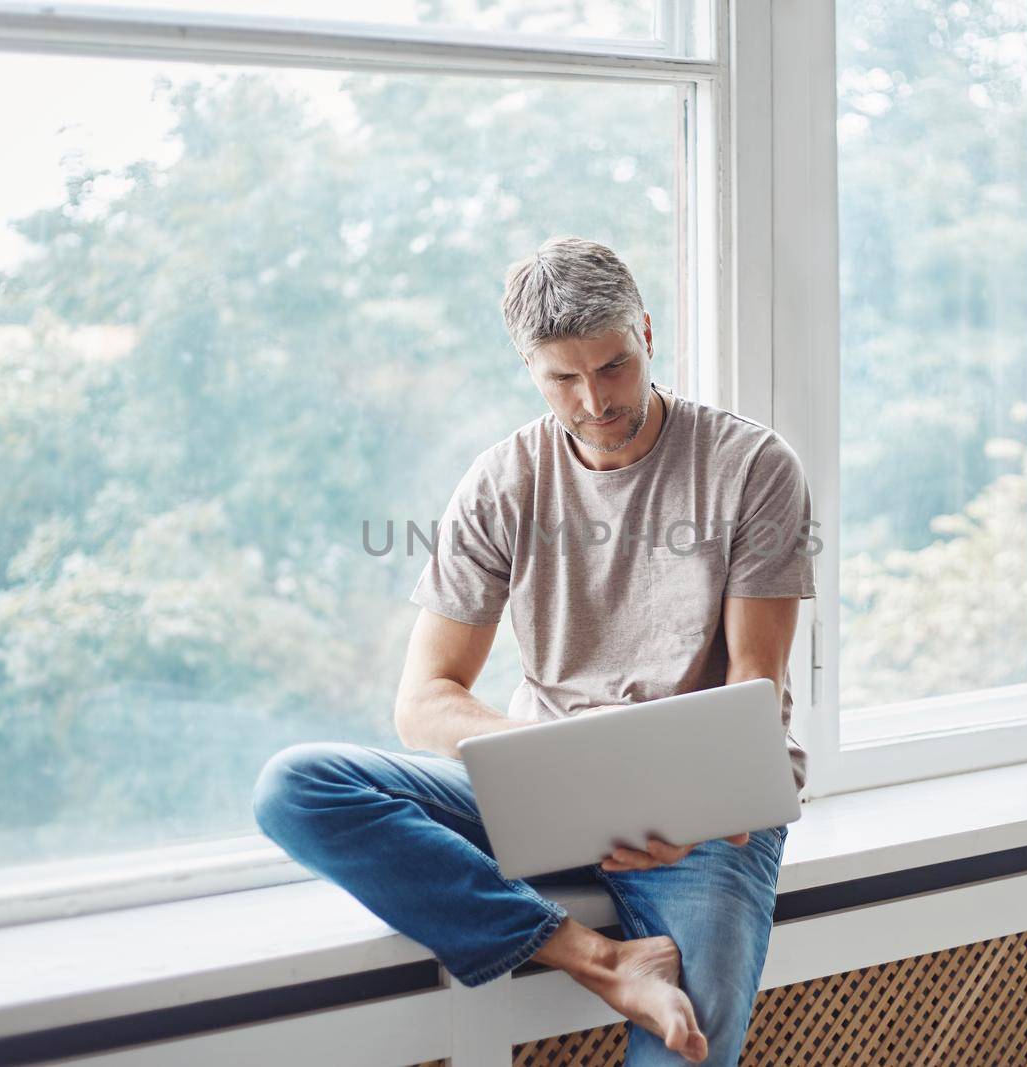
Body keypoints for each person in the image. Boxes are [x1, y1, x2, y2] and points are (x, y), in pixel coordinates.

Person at [252, 236, 816, 1065]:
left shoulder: (751, 465)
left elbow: (755, 682)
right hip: (546, 790)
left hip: (700, 818)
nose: (594, 400)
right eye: (563, 378)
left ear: (647, 333)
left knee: (689, 1047)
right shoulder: (501, 480)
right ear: (528, 368)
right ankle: (600, 960)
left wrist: (691, 802)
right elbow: (425, 699)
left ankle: (613, 957)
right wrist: (569, 774)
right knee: (297, 788)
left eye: (614, 366)